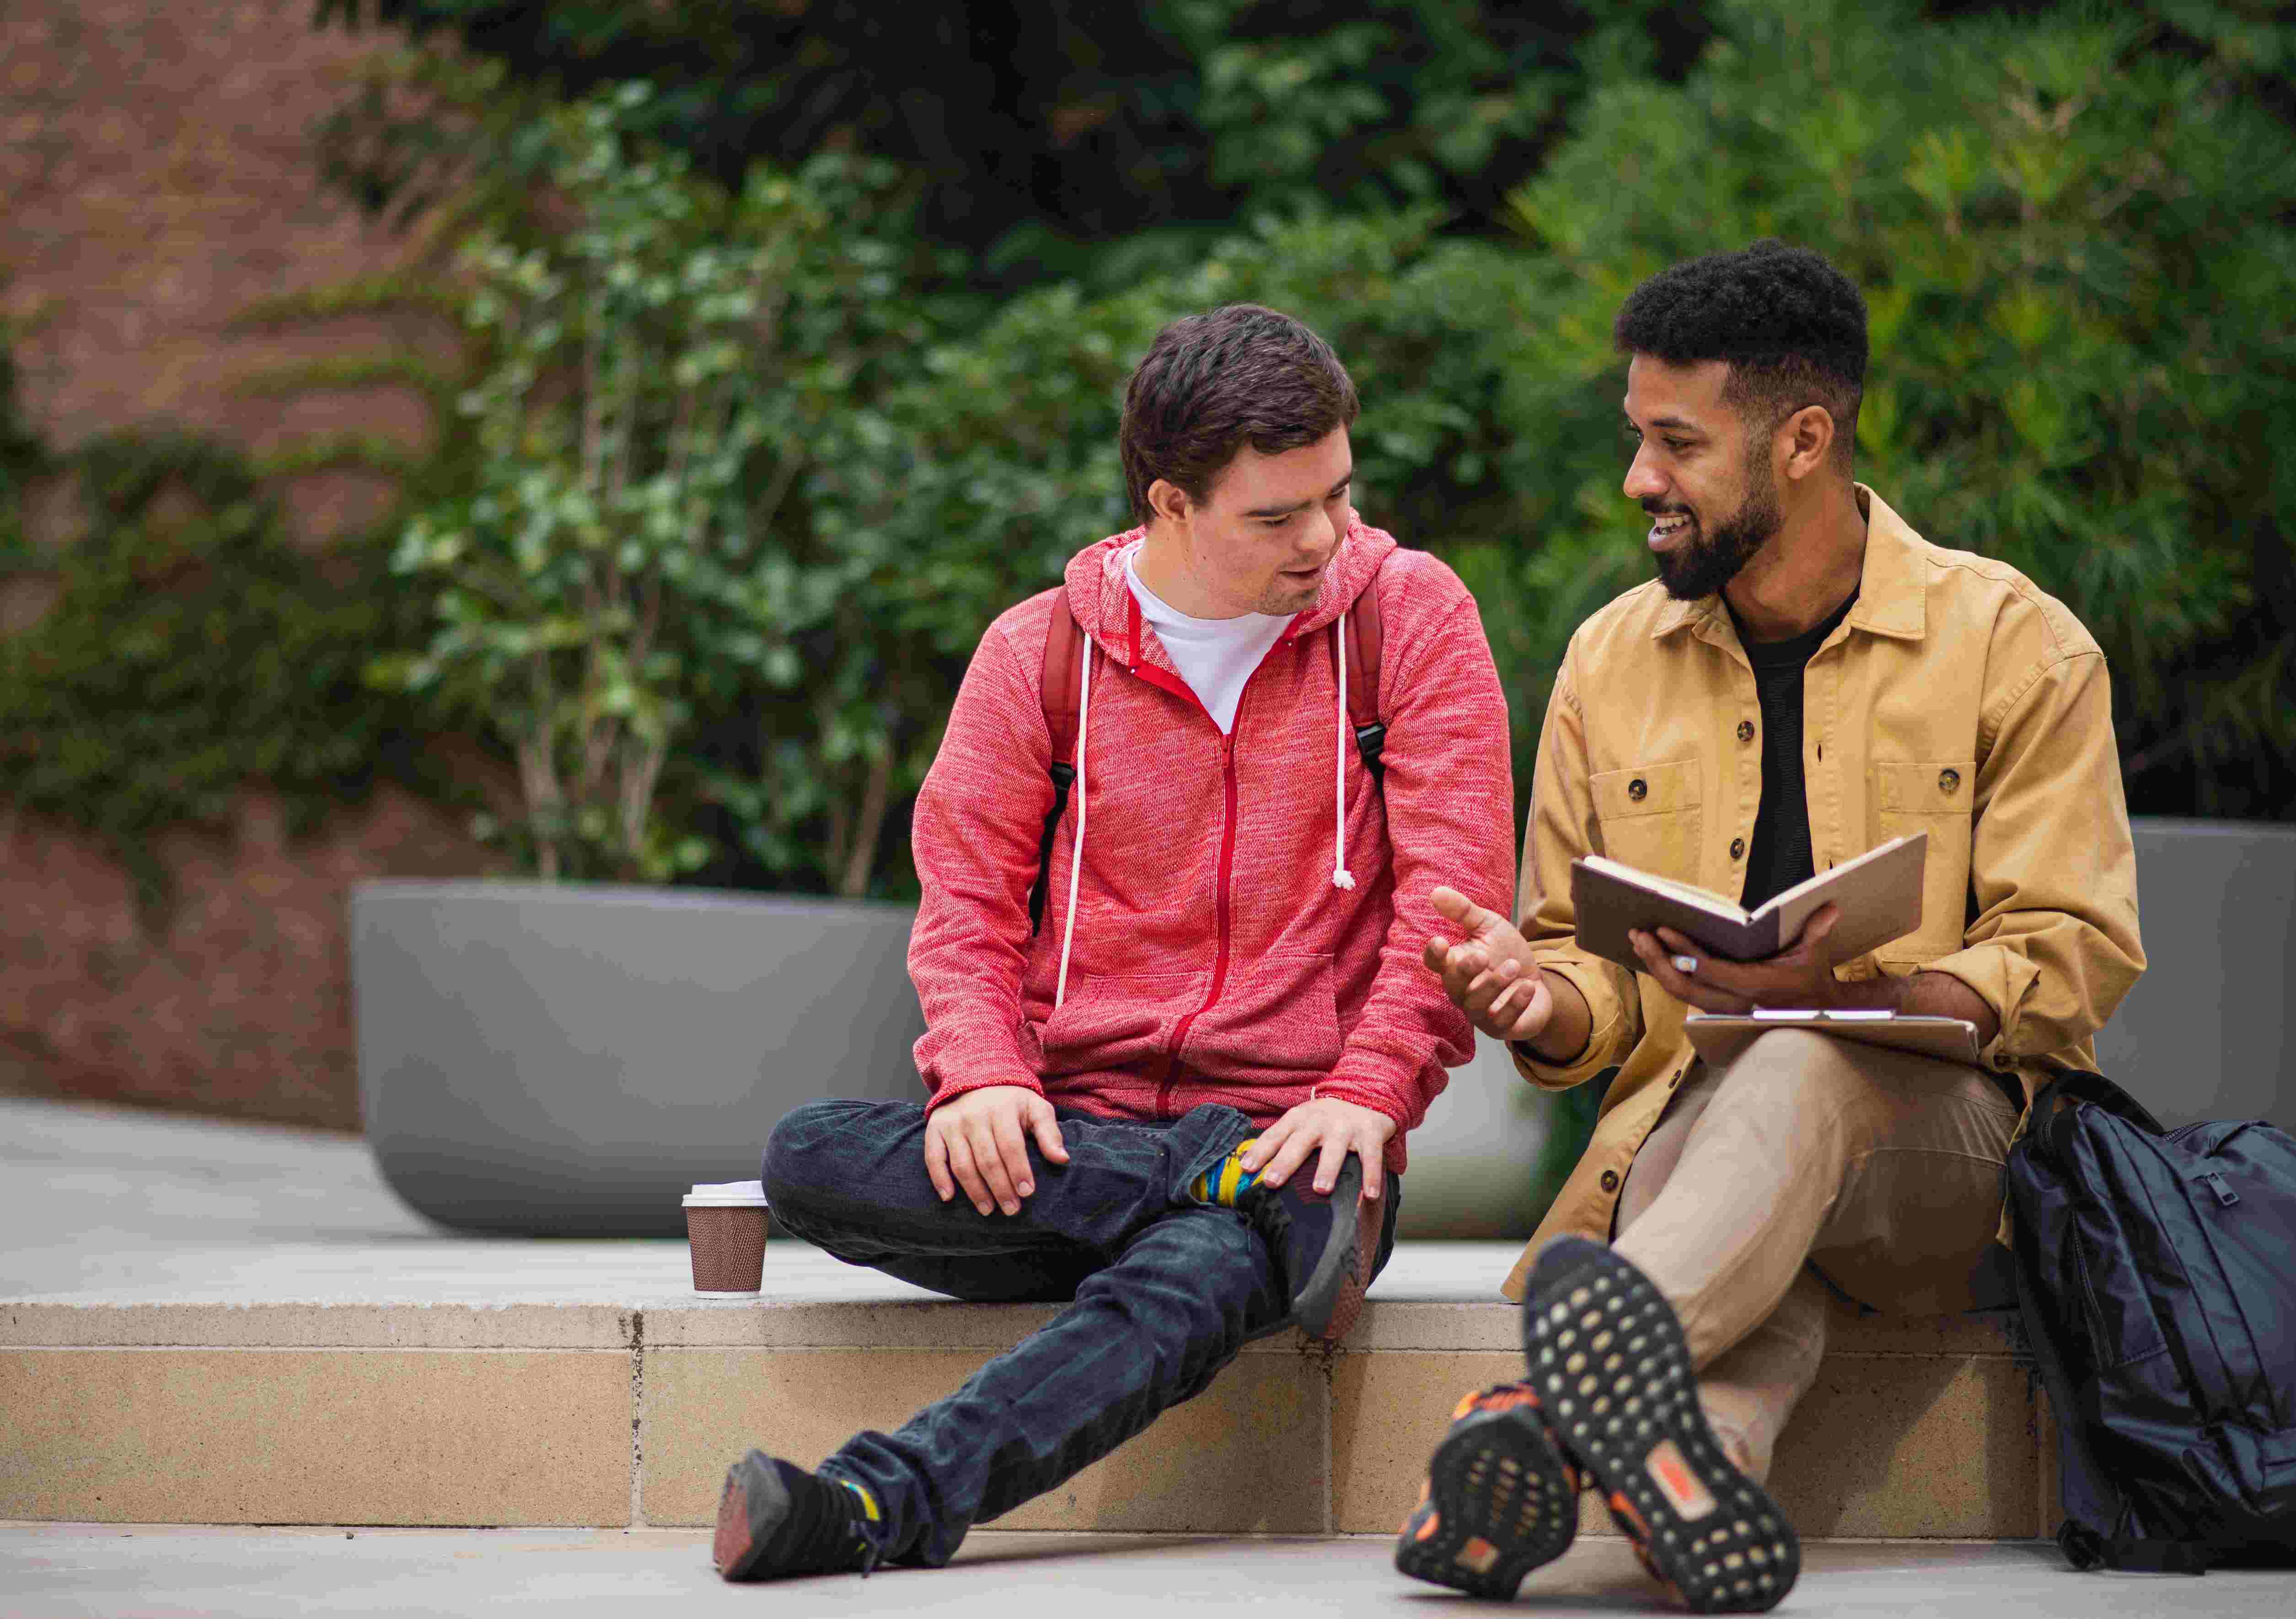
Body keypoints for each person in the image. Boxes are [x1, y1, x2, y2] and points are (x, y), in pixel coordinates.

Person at [1396, 241, 2146, 1612]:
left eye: (1676, 443)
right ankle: (1697, 1468)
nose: (1639, 481)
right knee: (1744, 1156)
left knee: (1794, 1061)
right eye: (1637, 436)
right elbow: (1586, 965)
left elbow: (2071, 949)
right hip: (1704, 1148)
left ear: (1804, 440)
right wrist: (1536, 998)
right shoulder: (1610, 660)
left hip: (1952, 1163)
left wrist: (1866, 987)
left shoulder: (2017, 644)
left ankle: (1543, 1407)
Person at [712, 303, 1514, 1581]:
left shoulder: (1404, 617)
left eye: (1339, 496)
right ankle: (1220, 1173)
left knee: (1194, 1275)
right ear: (1169, 503)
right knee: (807, 1155)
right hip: (1082, 1137)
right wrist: (980, 1069)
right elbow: (965, 903)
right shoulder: (1038, 653)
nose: (1325, 538)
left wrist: (1368, 1091)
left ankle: (869, 1507)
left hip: (1316, 1140)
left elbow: (1454, 900)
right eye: (1276, 516)